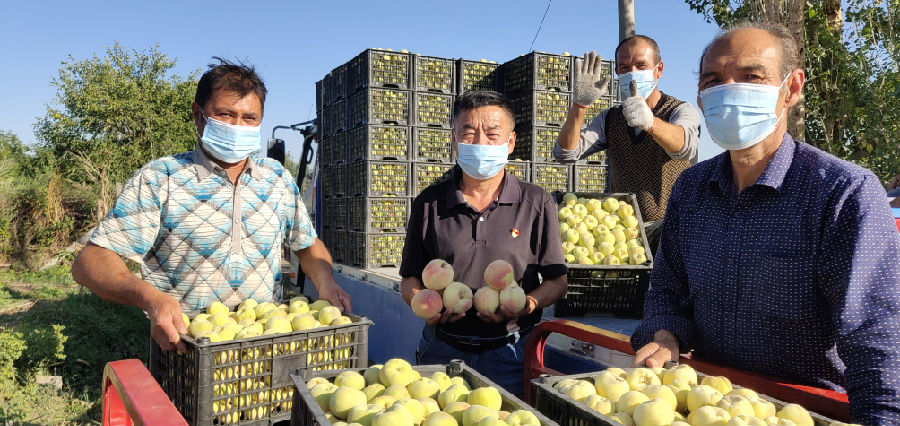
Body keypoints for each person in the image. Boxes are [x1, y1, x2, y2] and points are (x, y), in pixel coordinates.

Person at [630, 22, 900, 425]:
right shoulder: (691, 189)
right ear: (701, 98)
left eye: (752, 76)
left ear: (791, 88)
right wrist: (665, 333)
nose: (729, 90)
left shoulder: (843, 194)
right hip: (706, 407)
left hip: (803, 413)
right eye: (713, 81)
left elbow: (877, 345)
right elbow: (668, 290)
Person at [72, 58, 351, 353]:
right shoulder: (161, 178)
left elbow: (306, 244)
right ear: (198, 114)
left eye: (249, 118)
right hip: (186, 349)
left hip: (264, 345)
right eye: (225, 114)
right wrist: (150, 298)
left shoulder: (276, 179)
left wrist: (326, 282)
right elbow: (91, 262)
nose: (238, 126)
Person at [400, 91, 568, 397]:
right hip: (442, 348)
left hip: (512, 352)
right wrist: (425, 306)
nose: (480, 143)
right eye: (468, 133)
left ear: (511, 142)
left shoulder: (536, 202)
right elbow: (410, 279)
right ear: (454, 141)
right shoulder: (429, 203)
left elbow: (557, 281)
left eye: (492, 134)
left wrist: (527, 304)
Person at [553, 35, 702, 251]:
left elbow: (684, 147)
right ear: (617, 72)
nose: (632, 73)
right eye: (624, 68)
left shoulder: (679, 110)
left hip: (674, 230)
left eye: (641, 66)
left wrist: (651, 123)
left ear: (658, 70)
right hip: (623, 233)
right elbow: (565, 153)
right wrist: (579, 105)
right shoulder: (611, 118)